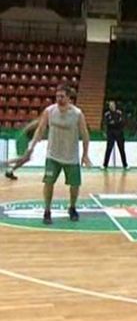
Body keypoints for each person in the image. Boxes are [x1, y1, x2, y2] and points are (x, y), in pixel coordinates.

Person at [24, 85, 92, 225]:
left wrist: (85, 154)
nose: (59, 99)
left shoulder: (77, 114)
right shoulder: (50, 111)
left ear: (68, 97)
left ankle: (72, 207)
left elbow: (85, 135)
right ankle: (47, 211)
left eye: (62, 96)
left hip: (71, 156)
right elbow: (41, 129)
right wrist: (32, 146)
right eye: (57, 96)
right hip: (52, 155)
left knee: (74, 185)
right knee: (48, 182)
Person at [102, 100, 128, 169]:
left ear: (115, 106)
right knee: (108, 149)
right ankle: (105, 165)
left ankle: (125, 165)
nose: (112, 107)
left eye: (113, 105)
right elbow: (105, 123)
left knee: (122, 149)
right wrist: (105, 132)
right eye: (110, 106)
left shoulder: (119, 113)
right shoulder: (107, 114)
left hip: (119, 133)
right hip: (110, 133)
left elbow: (121, 122)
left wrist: (113, 123)